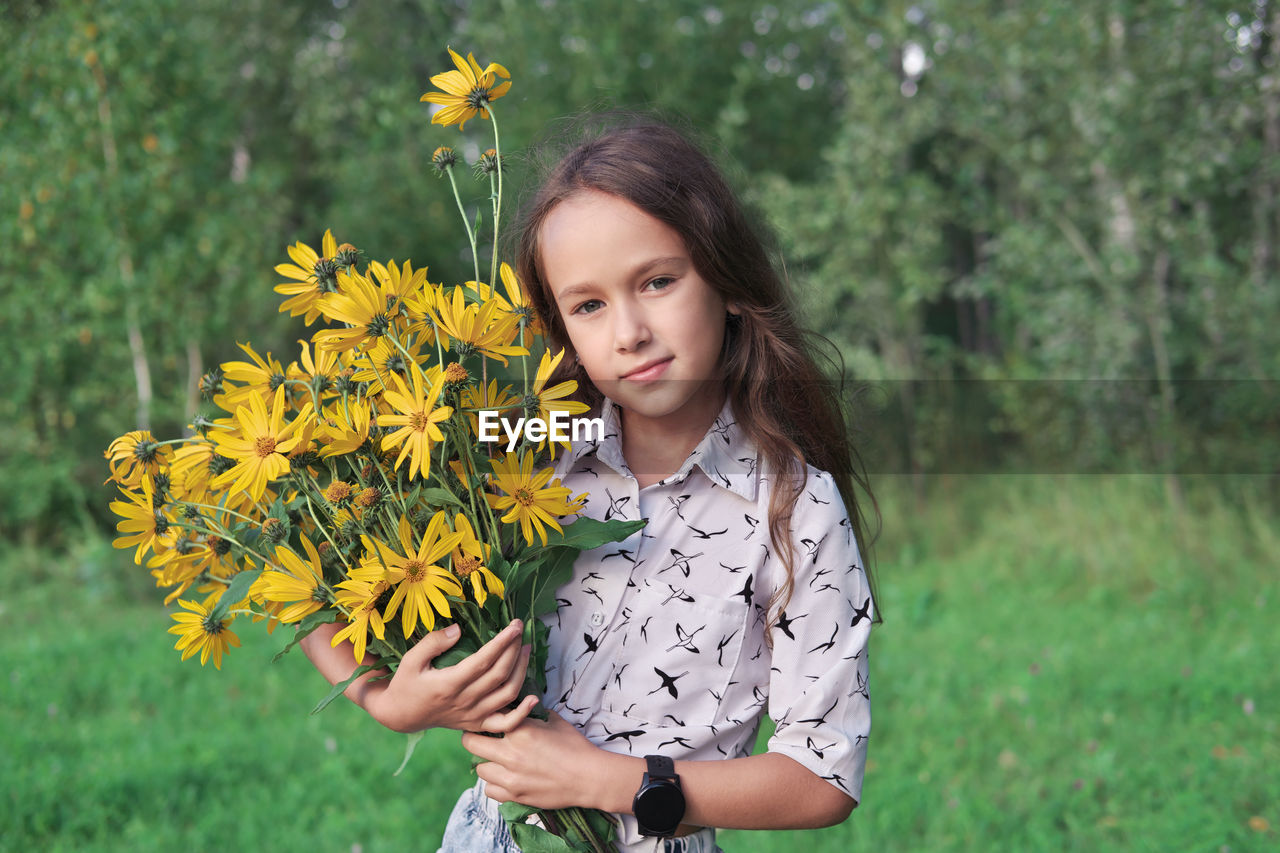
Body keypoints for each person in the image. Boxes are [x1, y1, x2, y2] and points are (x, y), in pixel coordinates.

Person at [302, 119, 880, 853]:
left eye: (658, 281)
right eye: (589, 305)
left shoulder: (794, 504)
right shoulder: (525, 451)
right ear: (560, 327)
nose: (629, 331)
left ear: (727, 282)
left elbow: (822, 779)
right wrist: (386, 698)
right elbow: (318, 567)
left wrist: (604, 780)